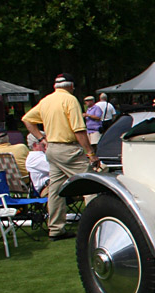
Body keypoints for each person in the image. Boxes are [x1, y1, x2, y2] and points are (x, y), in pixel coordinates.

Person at [21, 74, 101, 241]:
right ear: (71, 86)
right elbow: (79, 129)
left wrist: (42, 138)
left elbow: (27, 119)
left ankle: (56, 228)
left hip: (52, 149)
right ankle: (97, 225)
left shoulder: (46, 100)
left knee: (56, 190)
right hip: (68, 149)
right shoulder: (70, 100)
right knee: (91, 184)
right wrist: (91, 153)